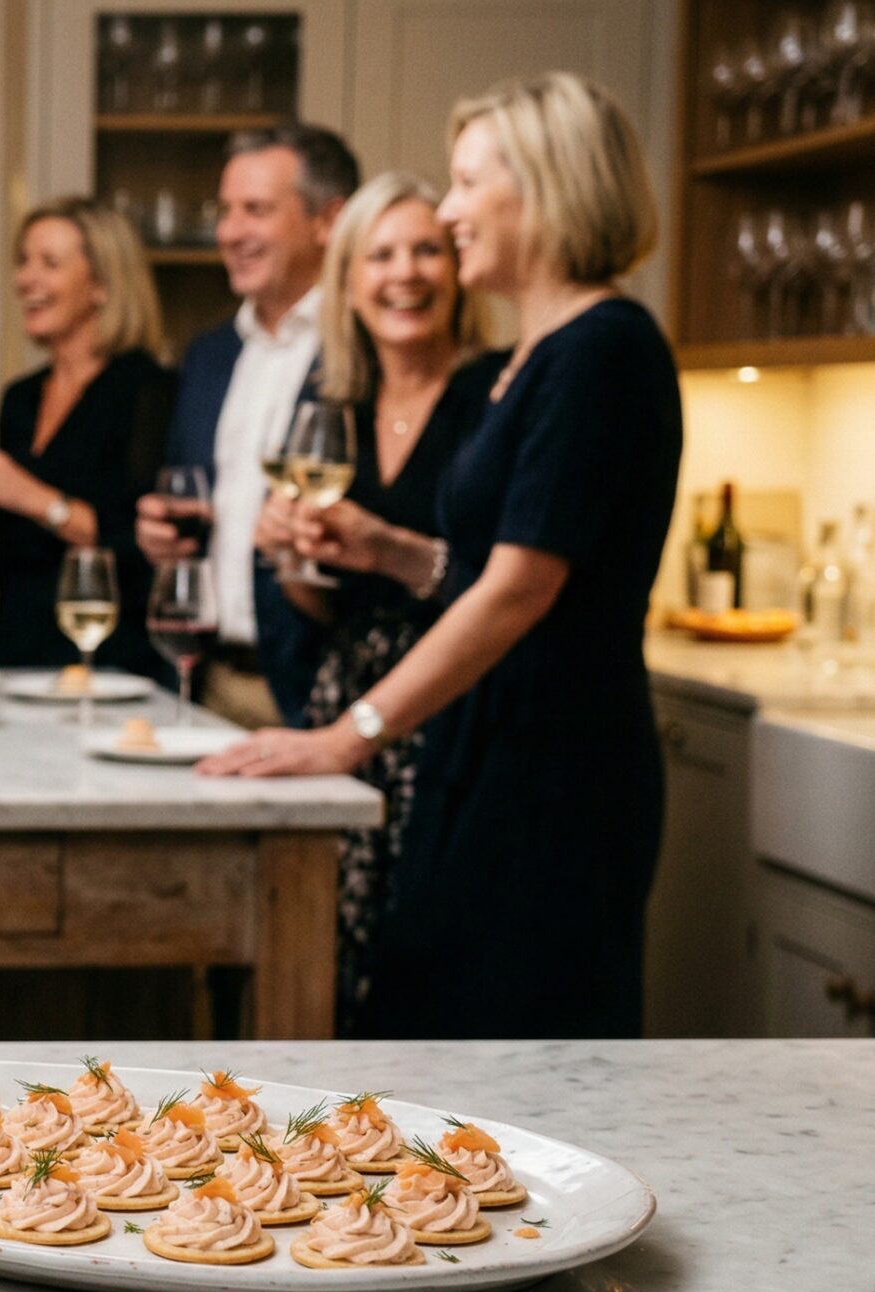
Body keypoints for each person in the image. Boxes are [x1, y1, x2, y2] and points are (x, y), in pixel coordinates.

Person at [202, 72, 680, 1040]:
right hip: (484, 750)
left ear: (543, 187)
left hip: (554, 770)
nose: (450, 210)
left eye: (466, 185)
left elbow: (516, 591)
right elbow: (470, 574)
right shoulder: (536, 357)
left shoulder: (601, 349)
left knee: (515, 1064)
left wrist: (345, 738)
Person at [249, 173, 496, 1034]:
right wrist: (292, 554)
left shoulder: (493, 395)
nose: (406, 273)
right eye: (381, 254)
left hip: (457, 712)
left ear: (459, 267)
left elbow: (500, 584)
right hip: (345, 708)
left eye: (427, 248)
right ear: (350, 278)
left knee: (439, 970)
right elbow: (323, 608)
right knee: (338, 967)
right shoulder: (337, 407)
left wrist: (386, 549)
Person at [134, 124, 361, 727]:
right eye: (226, 212)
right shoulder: (209, 355)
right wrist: (164, 536)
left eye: (255, 210)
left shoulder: (363, 349)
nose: (229, 232)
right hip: (200, 680)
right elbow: (196, 504)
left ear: (328, 220)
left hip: (313, 690)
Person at [0, 197, 174, 679]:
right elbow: (12, 557)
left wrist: (25, 495)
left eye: (49, 263)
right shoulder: (20, 398)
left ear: (102, 285)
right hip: (15, 655)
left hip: (111, 665)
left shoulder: (148, 390)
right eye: (23, 262)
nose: (25, 280)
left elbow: (139, 548)